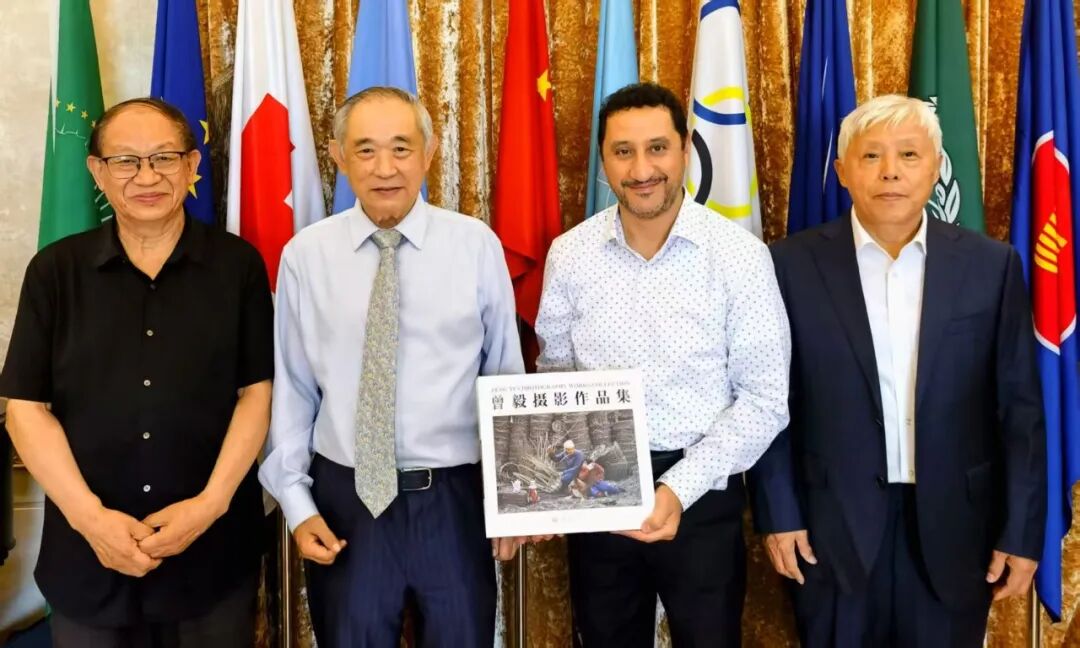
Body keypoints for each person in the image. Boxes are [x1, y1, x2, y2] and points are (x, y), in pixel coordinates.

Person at [750, 94, 1046, 647]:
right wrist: (778, 512)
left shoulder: (991, 266)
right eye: (871, 156)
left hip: (958, 531)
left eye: (909, 155)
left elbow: (1021, 413)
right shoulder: (788, 265)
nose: (890, 171)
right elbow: (769, 401)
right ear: (843, 171)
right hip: (828, 532)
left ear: (935, 167)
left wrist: (1024, 532)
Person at [0, 97, 273, 647]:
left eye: (164, 158)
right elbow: (25, 407)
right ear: (97, 171)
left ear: (192, 166)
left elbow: (256, 393)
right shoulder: (55, 271)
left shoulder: (238, 265)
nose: (146, 177)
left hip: (212, 555)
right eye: (125, 161)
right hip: (88, 558)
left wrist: (211, 505)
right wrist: (91, 520)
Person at [258, 87, 525, 648]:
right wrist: (298, 506)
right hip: (345, 502)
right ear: (338, 156)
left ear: (429, 152)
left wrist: (516, 502)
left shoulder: (475, 246)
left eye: (401, 148)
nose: (385, 168)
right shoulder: (306, 256)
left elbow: (504, 376)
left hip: (454, 500)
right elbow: (294, 391)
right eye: (366, 150)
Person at [534, 82, 791, 647]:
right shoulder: (569, 254)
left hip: (702, 496)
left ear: (686, 148)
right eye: (623, 151)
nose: (642, 169)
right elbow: (555, 376)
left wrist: (676, 489)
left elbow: (766, 399)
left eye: (657, 148)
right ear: (603, 159)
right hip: (596, 493)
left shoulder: (740, 256)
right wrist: (553, 485)